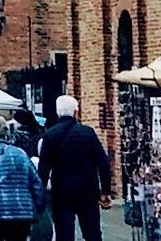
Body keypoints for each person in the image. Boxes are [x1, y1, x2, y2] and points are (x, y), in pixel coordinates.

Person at [39, 95, 113, 241]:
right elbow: (103, 163)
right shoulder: (88, 133)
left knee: (64, 233)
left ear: (57, 112)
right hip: (88, 189)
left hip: (61, 190)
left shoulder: (50, 135)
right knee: (92, 232)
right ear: (75, 112)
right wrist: (105, 191)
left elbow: (43, 168)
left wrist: (40, 194)